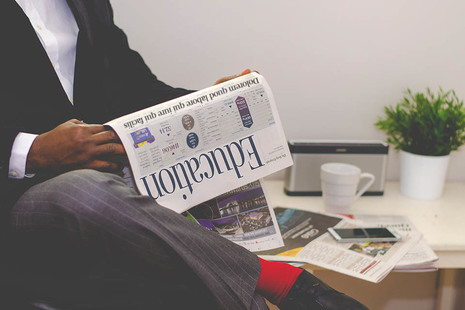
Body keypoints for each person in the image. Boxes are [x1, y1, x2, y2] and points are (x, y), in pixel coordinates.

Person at [0, 1, 369, 309]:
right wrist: (31, 152)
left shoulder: (87, 3)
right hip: (21, 200)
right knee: (82, 191)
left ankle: (279, 288)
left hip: (116, 199)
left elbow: (134, 89)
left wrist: (210, 103)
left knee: (201, 280)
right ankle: (289, 283)